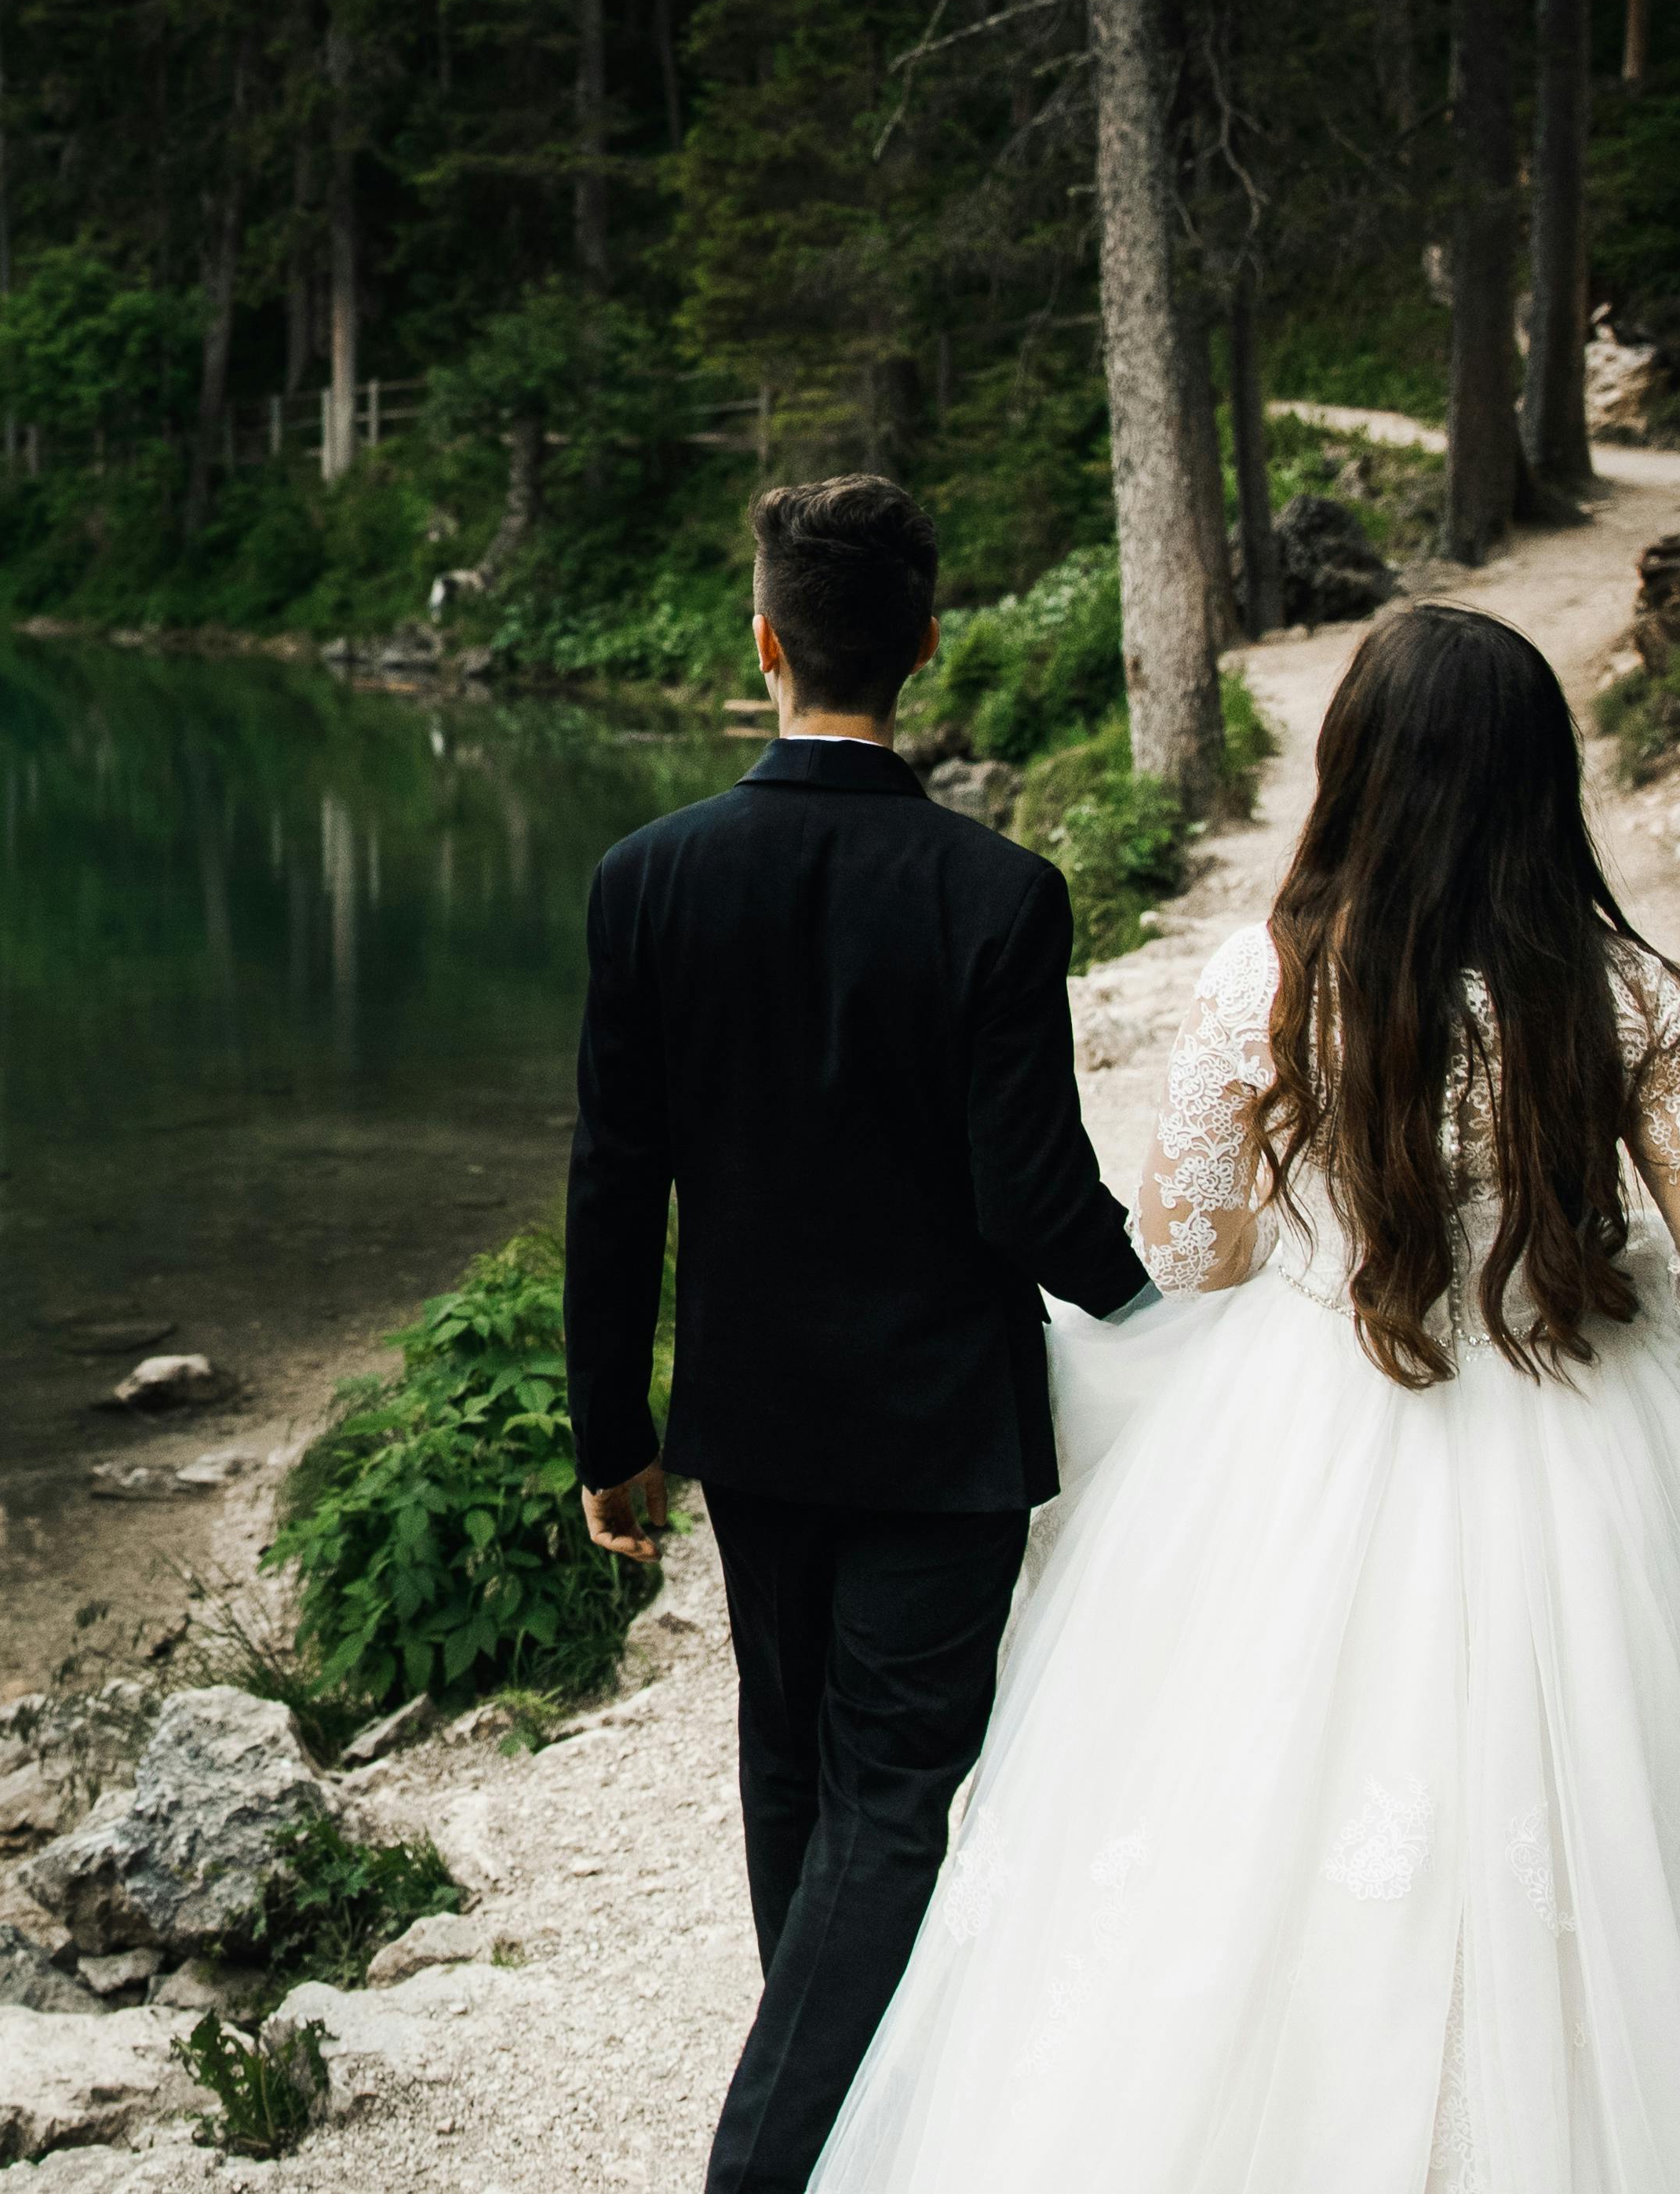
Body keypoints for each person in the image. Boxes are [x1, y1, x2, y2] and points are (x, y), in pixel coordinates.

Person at [805, 603, 1680, 2193]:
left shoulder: (1270, 978)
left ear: (1354, 770)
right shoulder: (1619, 992)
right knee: (1601, 1818)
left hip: (1298, 1433)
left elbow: (1183, 1251)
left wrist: (1319, 1230)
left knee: (1240, 1822)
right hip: (1571, 1428)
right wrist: (1602, 1288)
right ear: (1542, 782)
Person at [563, 476, 1161, 2194]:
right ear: (924, 644)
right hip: (939, 1433)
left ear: (762, 642)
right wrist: (1166, 1316)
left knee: (789, 1770)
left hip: (751, 1423)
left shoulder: (646, 879)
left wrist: (615, 1434)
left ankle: (821, 2136)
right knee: (891, 1792)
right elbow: (1031, 1194)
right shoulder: (998, 889)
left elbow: (617, 1183)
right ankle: (784, 2159)